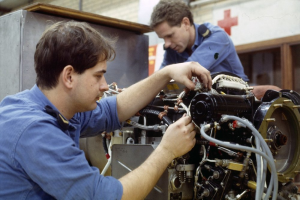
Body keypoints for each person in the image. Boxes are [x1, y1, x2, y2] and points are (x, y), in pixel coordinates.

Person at [0, 21, 212, 199]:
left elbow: (113, 110)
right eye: (98, 75)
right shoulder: (35, 131)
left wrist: (165, 74)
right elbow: (104, 196)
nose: (105, 85)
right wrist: (167, 151)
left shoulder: (49, 107)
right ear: (69, 76)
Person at [150, 0, 249, 82]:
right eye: (163, 38)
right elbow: (159, 79)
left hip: (236, 97)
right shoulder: (172, 48)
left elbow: (188, 70)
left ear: (185, 23)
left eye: (170, 35)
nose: (167, 44)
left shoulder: (217, 37)